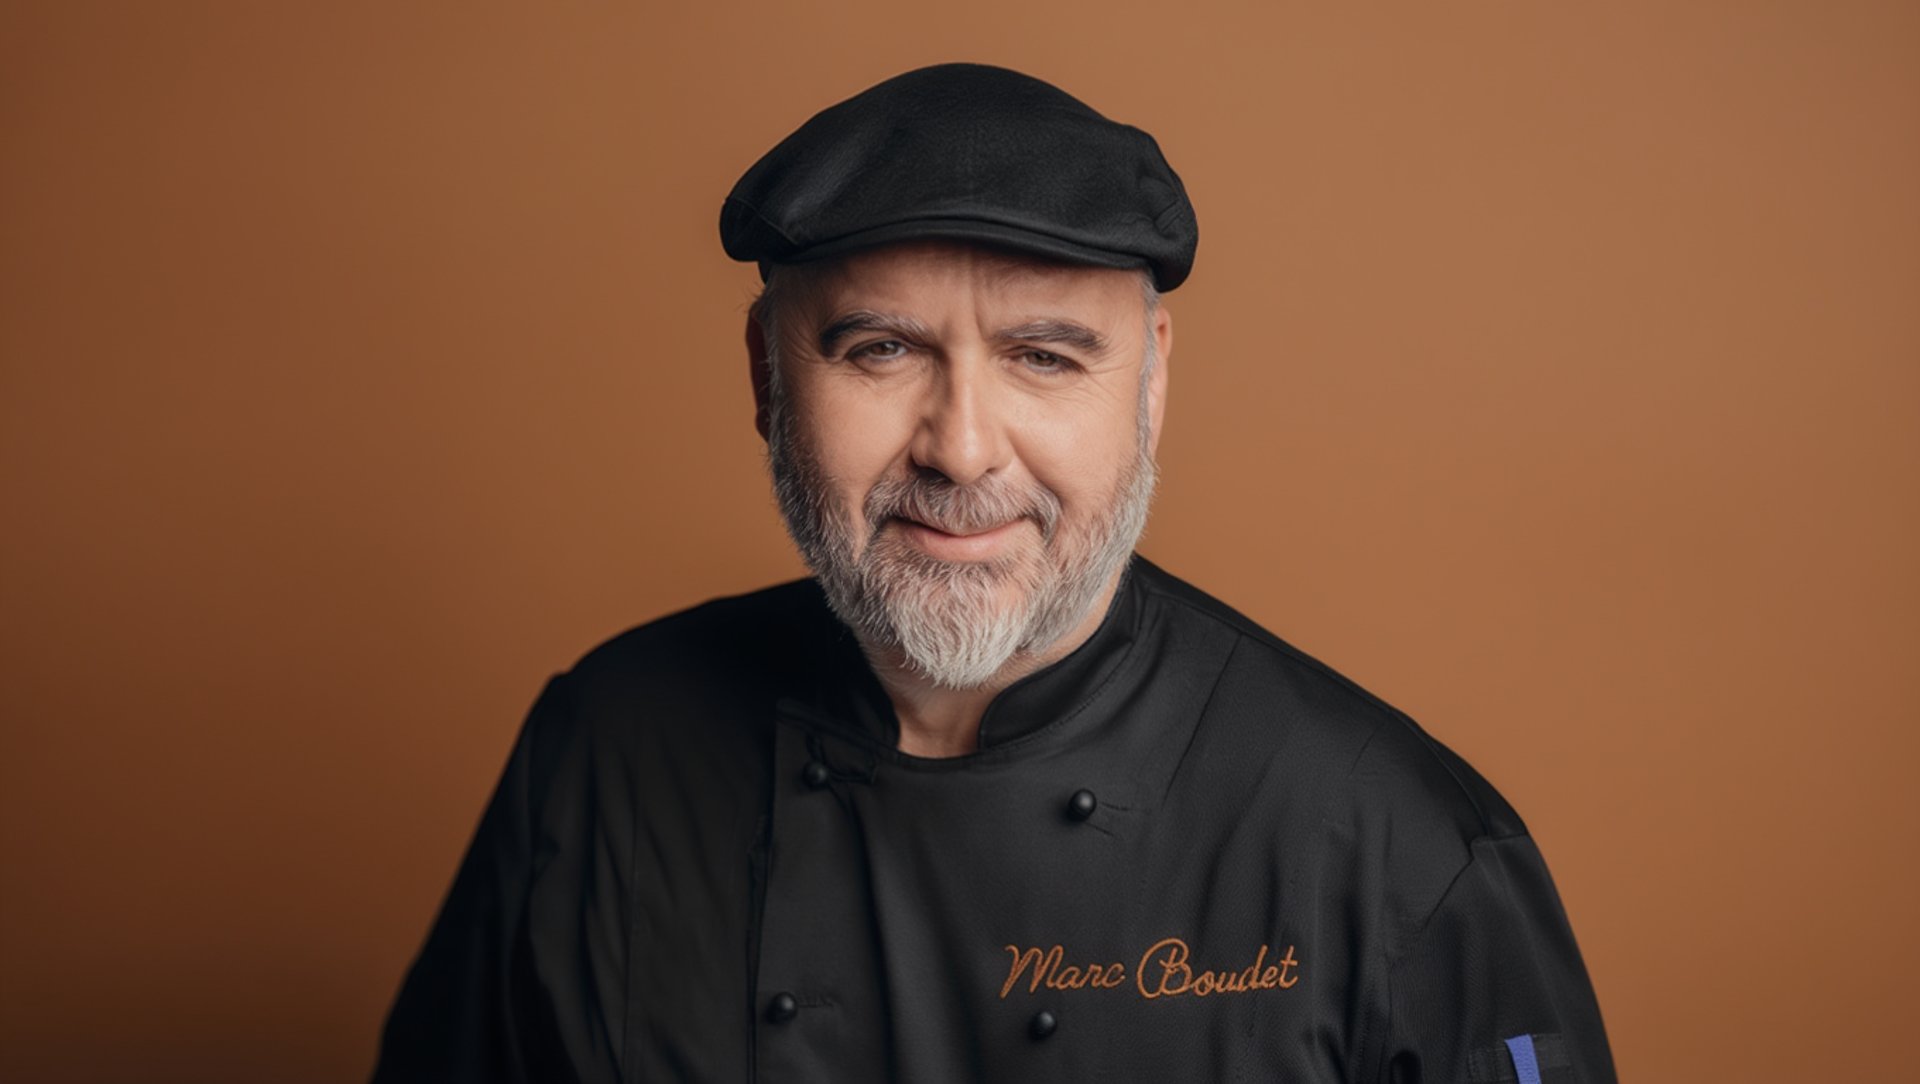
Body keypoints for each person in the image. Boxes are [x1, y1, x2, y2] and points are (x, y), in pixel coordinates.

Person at [371, 63, 1616, 1083]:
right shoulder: (602, 751)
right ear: (765, 373)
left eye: (1045, 358)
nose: (961, 447)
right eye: (881, 349)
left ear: (1153, 379)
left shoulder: (1404, 850)